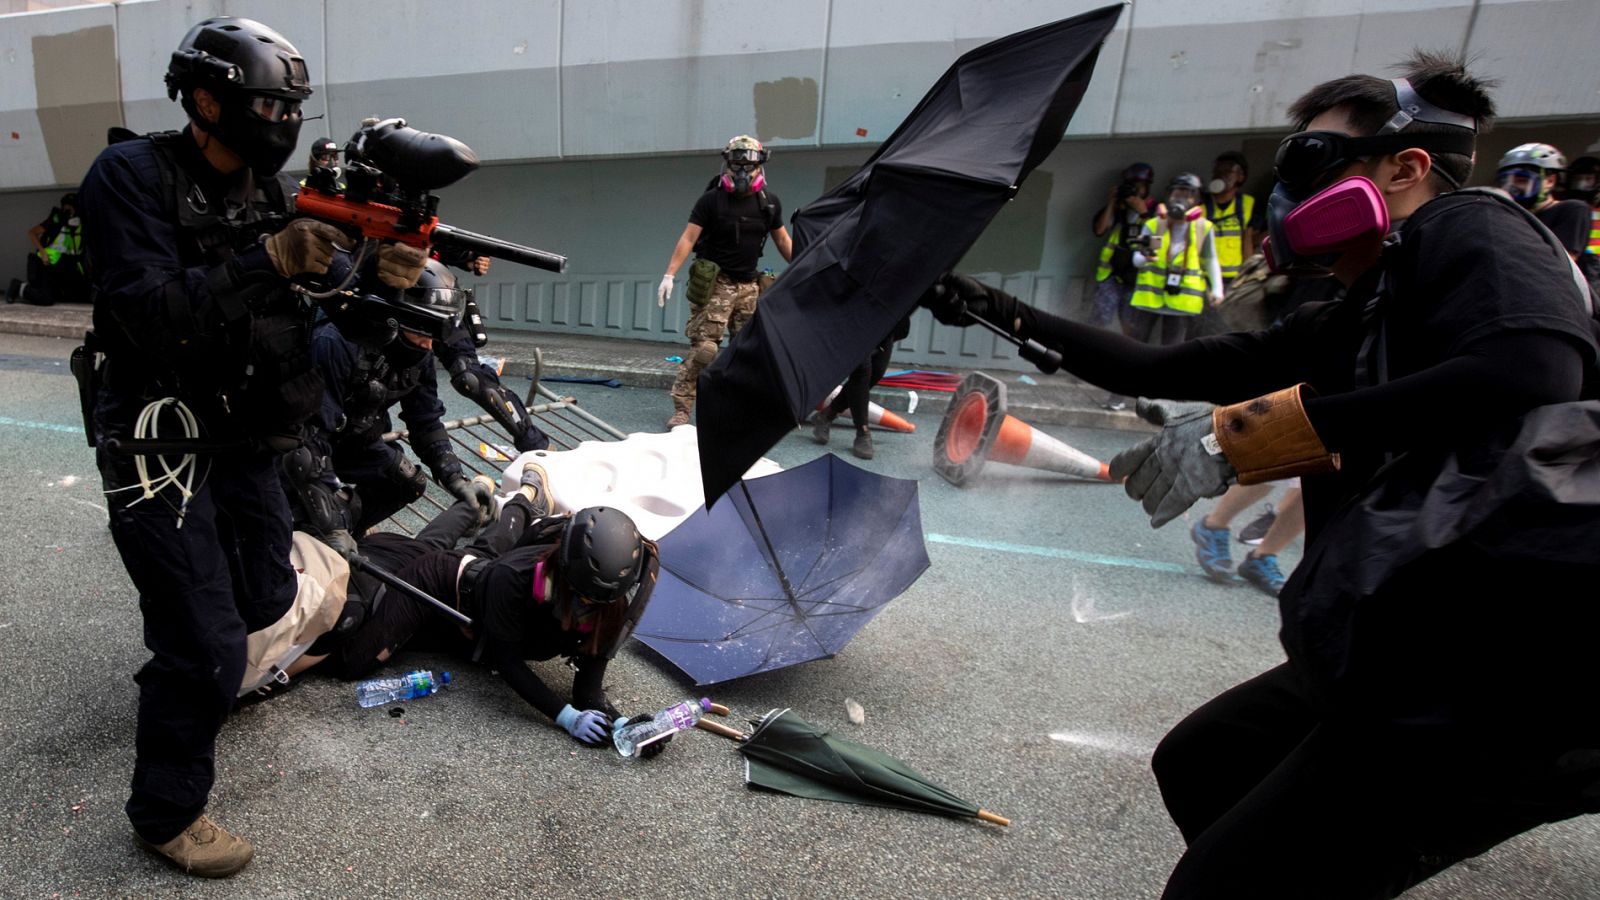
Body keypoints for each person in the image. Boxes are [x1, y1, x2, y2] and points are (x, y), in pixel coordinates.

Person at [921, 53, 1599, 898]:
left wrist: (1253, 438)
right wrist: (981, 300)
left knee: (1222, 884)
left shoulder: (1471, 228)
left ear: (1406, 167)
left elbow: (1533, 371)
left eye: (1313, 161)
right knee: (1206, 764)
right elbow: (1159, 367)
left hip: (1513, 668)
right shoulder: (1358, 307)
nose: (1289, 188)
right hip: (1417, 628)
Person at [76, 16, 427, 878]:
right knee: (202, 638)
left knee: (263, 598)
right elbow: (148, 319)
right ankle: (166, 813)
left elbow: (323, 317)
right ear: (204, 98)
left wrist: (378, 287)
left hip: (243, 432)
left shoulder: (272, 198)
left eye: (291, 107)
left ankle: (199, 662)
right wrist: (269, 261)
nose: (280, 121)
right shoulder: (130, 178)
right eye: (267, 103)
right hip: (160, 441)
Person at [298, 465, 665, 752]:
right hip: (443, 581)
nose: (589, 608)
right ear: (565, 574)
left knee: (462, 547)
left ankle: (519, 495)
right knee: (354, 658)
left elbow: (589, 693)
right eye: (582, 598)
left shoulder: (609, 599)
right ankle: (494, 501)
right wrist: (564, 717)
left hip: (478, 583)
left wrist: (625, 726)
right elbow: (506, 659)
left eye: (597, 601)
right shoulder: (517, 577)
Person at [283, 258, 496, 548]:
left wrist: (455, 478)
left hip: (358, 443)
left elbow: (425, 420)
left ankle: (350, 536)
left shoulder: (420, 349)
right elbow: (308, 440)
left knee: (406, 482)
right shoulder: (336, 342)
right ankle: (316, 538)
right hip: (304, 445)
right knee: (304, 507)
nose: (430, 344)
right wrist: (332, 523)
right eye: (424, 330)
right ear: (397, 316)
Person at [656, 135, 794, 428]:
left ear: (760, 165)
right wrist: (669, 273)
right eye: (736, 164)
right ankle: (682, 409)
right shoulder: (712, 200)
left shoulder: (768, 203)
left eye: (749, 164)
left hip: (749, 286)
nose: (742, 170)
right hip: (715, 282)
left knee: (748, 353)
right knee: (705, 349)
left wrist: (805, 269)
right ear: (727, 164)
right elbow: (689, 237)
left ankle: (738, 409)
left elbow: (782, 239)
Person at [429, 252, 551, 453]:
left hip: (433, 299)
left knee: (469, 376)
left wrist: (470, 257)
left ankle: (535, 444)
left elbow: (438, 242)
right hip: (377, 304)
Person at [1127, 172, 1223, 345]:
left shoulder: (1203, 227)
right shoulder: (1154, 224)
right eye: (1177, 194)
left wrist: (1217, 288)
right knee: (1135, 344)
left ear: (1197, 199)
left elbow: (1210, 259)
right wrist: (1146, 257)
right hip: (1148, 300)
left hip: (1181, 304)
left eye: (1189, 195)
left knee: (1172, 348)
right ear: (1169, 195)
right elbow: (1137, 260)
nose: (1182, 199)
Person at [1091, 162, 1155, 410]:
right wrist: (1112, 203)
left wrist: (1142, 212)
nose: (1133, 190)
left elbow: (1157, 241)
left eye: (1138, 186)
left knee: (1131, 329)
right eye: (1130, 186)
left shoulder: (1153, 210)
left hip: (1136, 278)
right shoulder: (1117, 207)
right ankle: (1091, 365)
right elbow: (1099, 229)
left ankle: (1120, 378)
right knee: (1100, 322)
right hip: (1110, 274)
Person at [808, 314, 912, 459]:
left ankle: (826, 415)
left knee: (876, 373)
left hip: (887, 321)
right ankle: (863, 433)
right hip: (857, 318)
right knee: (862, 372)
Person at [1496, 143, 1594, 265]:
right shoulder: (1509, 215)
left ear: (1550, 181)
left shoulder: (1572, 209)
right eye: (1506, 181)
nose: (1512, 187)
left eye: (1522, 180)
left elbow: (1562, 262)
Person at [7, 192, 87, 305]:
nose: (69, 209)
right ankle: (19, 286)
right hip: (48, 264)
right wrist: (42, 252)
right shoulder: (56, 220)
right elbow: (32, 233)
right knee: (45, 299)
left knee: (81, 296)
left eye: (72, 206)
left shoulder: (83, 223)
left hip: (68, 265)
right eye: (66, 205)